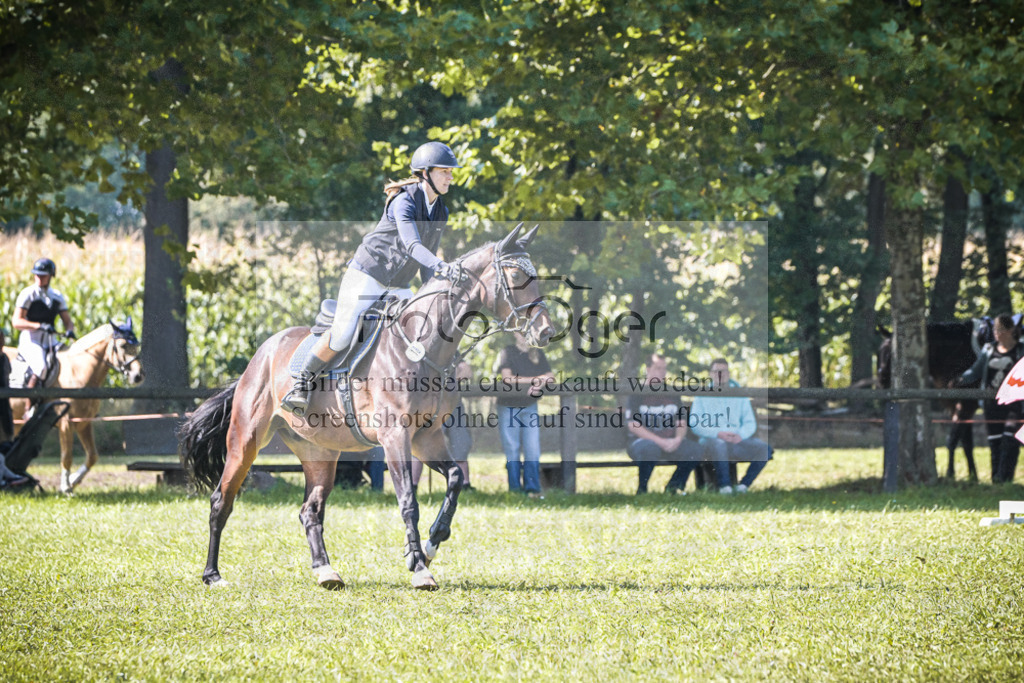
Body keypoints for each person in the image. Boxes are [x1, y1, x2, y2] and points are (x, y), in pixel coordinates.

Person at [282, 141, 466, 414]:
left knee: (422, 328)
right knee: (343, 333)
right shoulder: (404, 201)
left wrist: (437, 288)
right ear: (425, 173)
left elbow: (427, 261)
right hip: (367, 275)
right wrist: (443, 266)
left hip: (399, 285)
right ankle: (300, 384)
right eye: (444, 172)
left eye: (451, 172)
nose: (450, 177)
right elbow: (413, 246)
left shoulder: (440, 210)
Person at [625, 353, 706, 495]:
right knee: (650, 448)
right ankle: (642, 490)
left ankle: (673, 488)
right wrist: (660, 441)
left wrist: (678, 439)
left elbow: (681, 422)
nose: (662, 372)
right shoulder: (636, 392)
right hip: (642, 443)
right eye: (658, 368)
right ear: (648, 369)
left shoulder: (672, 392)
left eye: (664, 369)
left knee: (695, 450)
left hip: (670, 441)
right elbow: (633, 425)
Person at [957, 313, 1023, 484]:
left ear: (1010, 331)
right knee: (995, 443)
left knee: (1010, 439)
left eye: (1000, 329)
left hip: (1015, 405)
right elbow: (975, 371)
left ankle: (1006, 478)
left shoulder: (1021, 351)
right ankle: (996, 480)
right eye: (995, 329)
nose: (996, 333)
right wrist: (960, 379)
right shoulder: (988, 350)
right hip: (991, 404)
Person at [690, 358, 773, 493]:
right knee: (719, 444)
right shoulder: (702, 395)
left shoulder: (739, 394)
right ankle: (725, 487)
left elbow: (749, 422)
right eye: (716, 371)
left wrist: (740, 435)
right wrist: (717, 433)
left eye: (723, 371)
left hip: (736, 441)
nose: (720, 374)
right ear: (711, 374)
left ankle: (743, 486)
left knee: (765, 449)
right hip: (710, 441)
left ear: (728, 374)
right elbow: (695, 424)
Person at [11, 258, 76, 416]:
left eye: (43, 276)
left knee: (70, 360)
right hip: (31, 340)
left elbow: (67, 321)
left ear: (51, 276)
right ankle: (30, 407)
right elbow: (16, 321)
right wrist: (38, 326)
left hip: (51, 341)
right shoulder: (28, 294)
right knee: (41, 367)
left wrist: (69, 330)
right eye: (37, 275)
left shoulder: (57, 296)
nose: (39, 278)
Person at [495, 336, 553, 496]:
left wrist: (540, 383)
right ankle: (515, 490)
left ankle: (532, 489)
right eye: (520, 331)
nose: (523, 335)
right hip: (508, 407)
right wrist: (536, 380)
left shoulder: (538, 354)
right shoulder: (508, 352)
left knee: (532, 448)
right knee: (512, 449)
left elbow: (550, 376)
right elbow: (507, 378)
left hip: (530, 406)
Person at [411, 360, 475, 490]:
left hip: (452, 405)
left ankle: (464, 484)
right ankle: (412, 486)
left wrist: (445, 379)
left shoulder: (451, 352)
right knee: (419, 445)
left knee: (461, 442)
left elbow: (467, 372)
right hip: (428, 404)